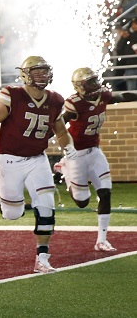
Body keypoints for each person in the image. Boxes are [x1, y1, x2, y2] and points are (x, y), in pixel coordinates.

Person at [0, 56, 76, 274]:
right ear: (25, 74)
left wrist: (68, 147)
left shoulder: (55, 99)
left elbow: (60, 130)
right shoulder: (13, 95)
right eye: (37, 72)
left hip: (37, 159)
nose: (42, 76)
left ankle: (42, 257)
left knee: (46, 207)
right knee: (12, 214)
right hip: (9, 159)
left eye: (44, 71)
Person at [61, 67, 137, 251]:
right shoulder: (74, 103)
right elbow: (59, 126)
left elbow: (121, 96)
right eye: (90, 82)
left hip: (95, 151)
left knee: (105, 192)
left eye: (95, 80)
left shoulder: (102, 94)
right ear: (80, 86)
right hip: (76, 155)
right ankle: (64, 170)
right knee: (82, 202)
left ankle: (101, 240)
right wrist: (66, 146)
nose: (95, 85)